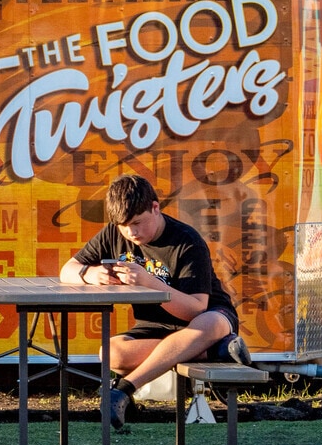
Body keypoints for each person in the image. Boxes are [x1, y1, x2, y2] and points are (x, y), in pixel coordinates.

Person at [61, 173, 251, 430]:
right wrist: (90, 274)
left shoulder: (187, 241)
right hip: (157, 327)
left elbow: (195, 308)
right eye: (123, 226)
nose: (131, 232)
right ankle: (213, 350)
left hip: (204, 318)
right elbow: (67, 270)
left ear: (155, 207)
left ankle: (124, 390)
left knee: (210, 323)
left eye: (138, 222)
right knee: (110, 352)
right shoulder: (113, 234)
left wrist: (150, 282)